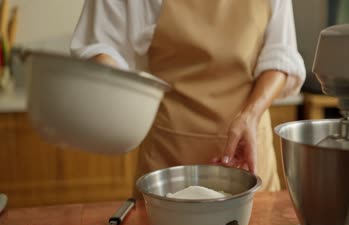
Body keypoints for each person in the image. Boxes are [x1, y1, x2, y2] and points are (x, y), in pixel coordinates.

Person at [71, 0, 306, 192]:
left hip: (249, 150)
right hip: (169, 157)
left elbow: (281, 56)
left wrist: (251, 115)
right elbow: (102, 44)